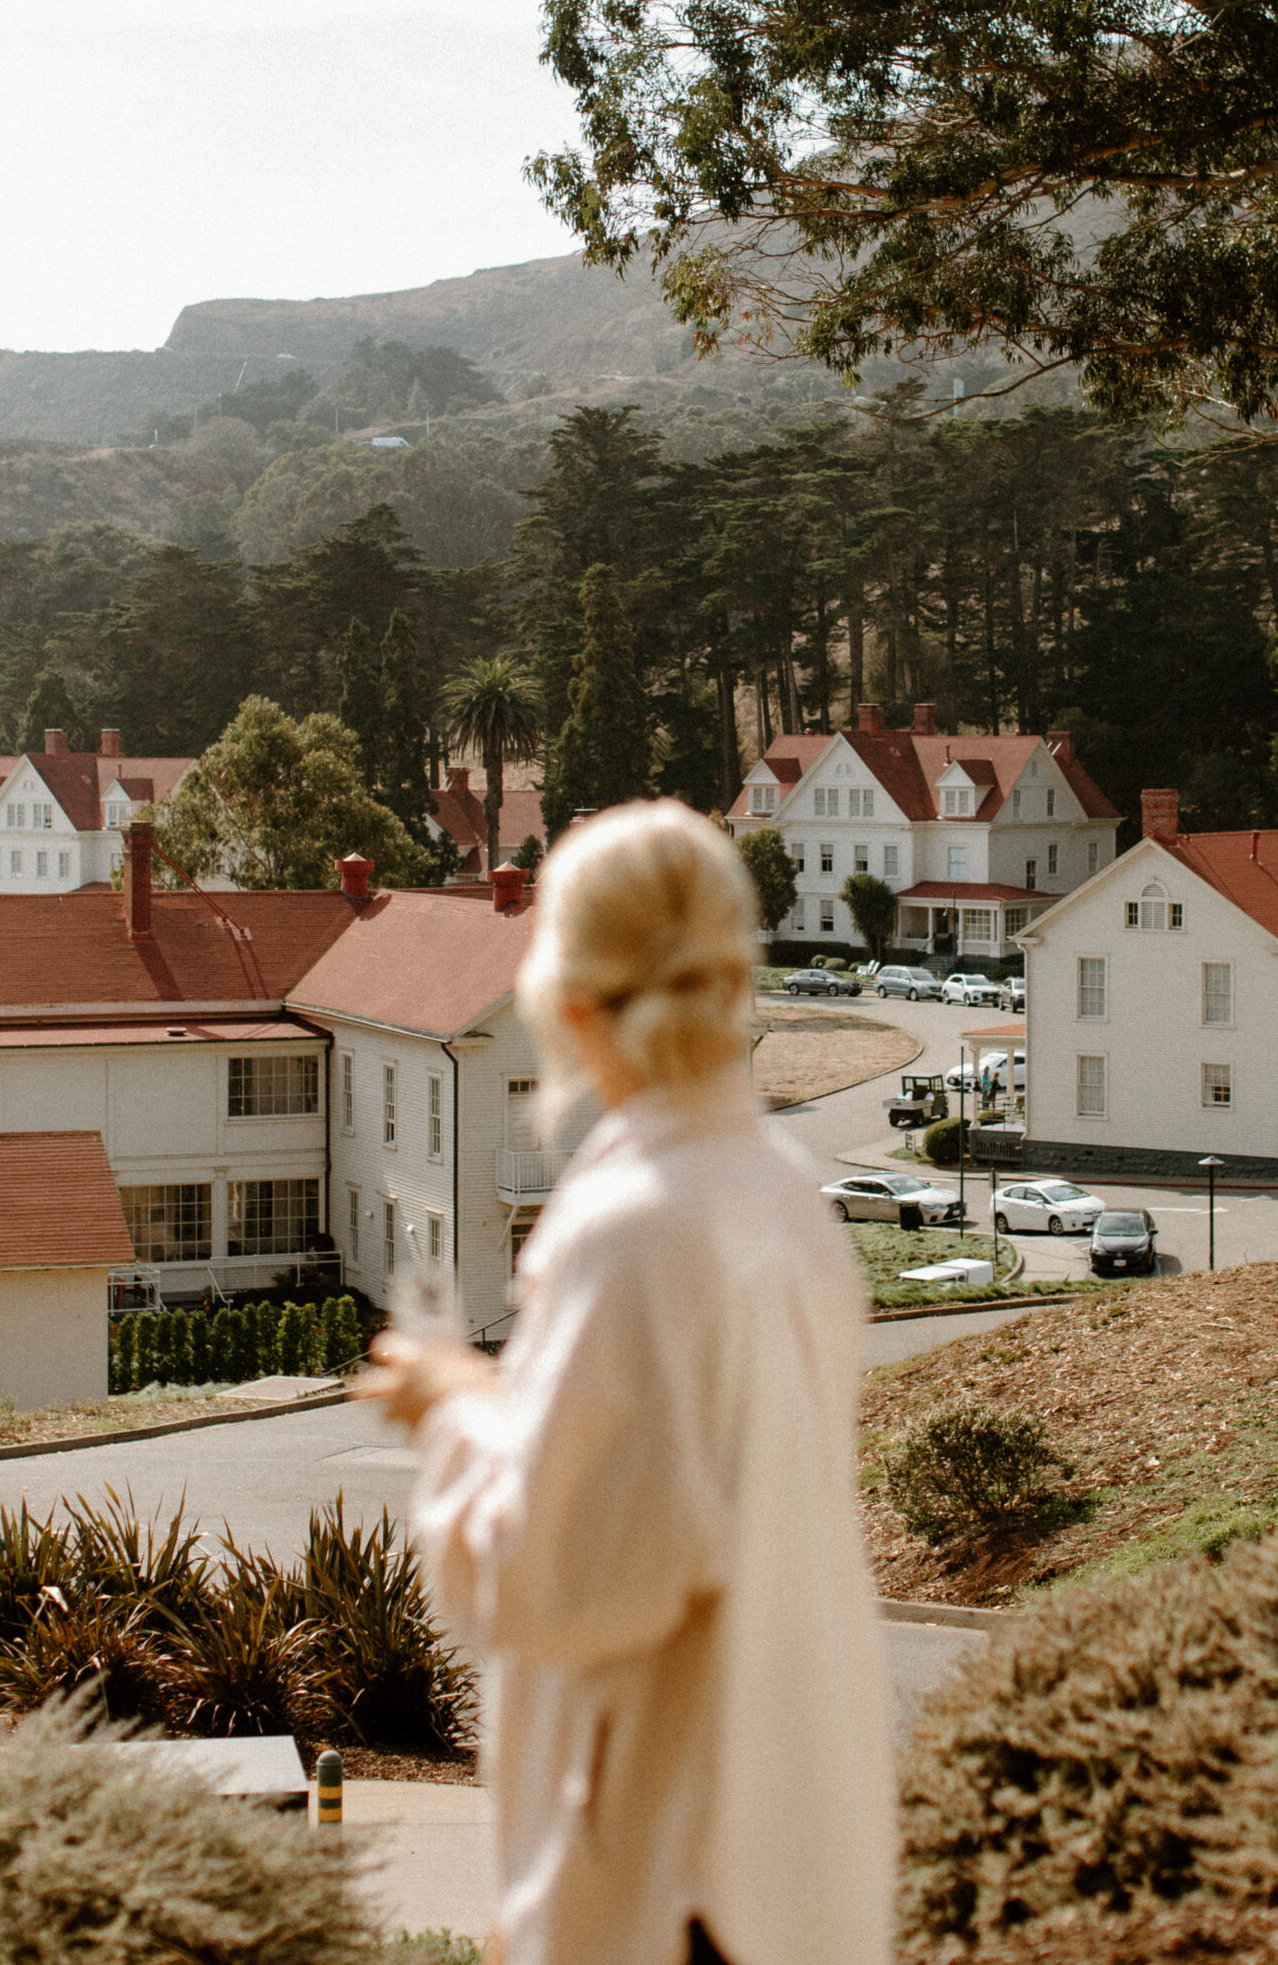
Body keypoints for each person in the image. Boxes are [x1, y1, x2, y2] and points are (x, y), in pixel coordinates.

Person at [359, 801, 895, 1965]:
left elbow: (560, 1581)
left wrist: (449, 1412)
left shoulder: (633, 1228)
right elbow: (665, 1499)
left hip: (678, 1878)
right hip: (781, 1844)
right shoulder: (781, 1196)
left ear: (565, 993)